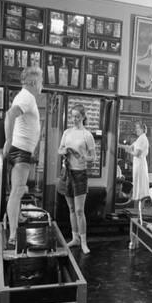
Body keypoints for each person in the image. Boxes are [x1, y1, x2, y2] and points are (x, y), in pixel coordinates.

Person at [3, 65, 43, 249]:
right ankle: (13, 234)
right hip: (19, 150)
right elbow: (10, 114)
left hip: (22, 150)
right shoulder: (26, 97)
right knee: (18, 191)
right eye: (41, 80)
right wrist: (8, 140)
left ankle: (17, 217)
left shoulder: (25, 97)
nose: (42, 84)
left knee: (17, 191)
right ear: (34, 82)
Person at [58, 104, 96, 254]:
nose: (74, 119)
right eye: (73, 116)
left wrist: (82, 156)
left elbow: (93, 157)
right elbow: (59, 149)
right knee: (72, 209)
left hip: (80, 174)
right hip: (67, 173)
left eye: (77, 116)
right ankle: (75, 238)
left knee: (80, 210)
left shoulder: (87, 135)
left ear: (83, 117)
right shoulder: (67, 132)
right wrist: (65, 150)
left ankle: (84, 243)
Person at [121, 121, 150, 204]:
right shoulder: (140, 138)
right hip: (138, 163)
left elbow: (137, 154)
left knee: (139, 181)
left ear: (142, 129)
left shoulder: (142, 139)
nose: (136, 130)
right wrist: (119, 145)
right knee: (137, 180)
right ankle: (137, 199)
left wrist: (129, 151)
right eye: (136, 128)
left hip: (140, 163)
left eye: (137, 128)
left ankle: (139, 200)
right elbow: (129, 147)